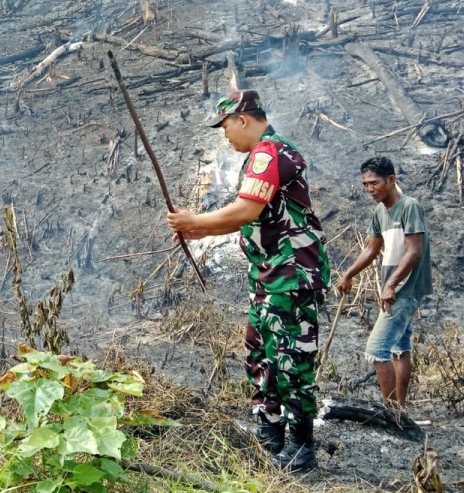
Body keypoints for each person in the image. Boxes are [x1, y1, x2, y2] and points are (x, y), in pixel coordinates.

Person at [166, 89, 330, 471]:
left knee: (291, 361)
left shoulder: (269, 153)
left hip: (292, 277)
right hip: (269, 278)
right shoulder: (260, 157)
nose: (225, 136)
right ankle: (270, 431)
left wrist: (195, 221)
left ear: (243, 119)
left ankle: (302, 447)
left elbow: (245, 209)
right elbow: (254, 217)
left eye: (225, 127)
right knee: (261, 354)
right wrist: (202, 231)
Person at [334, 157, 432, 412]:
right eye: (365, 184)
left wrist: (391, 285)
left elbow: (414, 251)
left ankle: (391, 414)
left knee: (377, 351)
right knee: (400, 349)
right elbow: (371, 249)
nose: (369, 189)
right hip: (393, 288)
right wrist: (348, 274)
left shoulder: (410, 207)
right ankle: (400, 410)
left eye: (374, 183)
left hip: (405, 288)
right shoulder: (380, 211)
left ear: (391, 180)